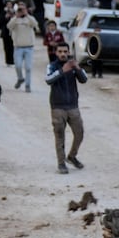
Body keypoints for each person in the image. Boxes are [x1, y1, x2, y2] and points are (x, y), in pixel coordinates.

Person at [45, 45, 88, 174]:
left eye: (65, 51)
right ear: (56, 53)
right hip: (58, 106)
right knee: (59, 135)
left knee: (79, 132)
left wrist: (77, 68)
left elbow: (84, 79)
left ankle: (72, 156)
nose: (63, 54)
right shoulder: (52, 66)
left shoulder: (73, 65)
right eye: (60, 51)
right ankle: (61, 162)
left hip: (73, 106)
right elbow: (48, 80)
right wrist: (62, 71)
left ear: (69, 52)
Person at [7, 2, 41, 92]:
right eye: (20, 9)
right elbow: (9, 26)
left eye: (23, 9)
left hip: (29, 47)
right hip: (18, 47)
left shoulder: (30, 19)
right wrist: (16, 16)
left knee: (28, 67)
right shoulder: (15, 19)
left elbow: (35, 25)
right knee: (18, 65)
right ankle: (20, 78)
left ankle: (28, 85)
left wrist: (27, 14)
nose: (21, 11)